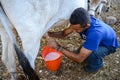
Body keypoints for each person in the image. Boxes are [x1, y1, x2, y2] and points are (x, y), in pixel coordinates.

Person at [47, 7, 120, 73]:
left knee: (91, 55)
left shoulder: (95, 34)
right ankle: (91, 51)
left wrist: (57, 47)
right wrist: (48, 34)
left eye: (77, 29)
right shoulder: (81, 21)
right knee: (80, 53)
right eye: (73, 27)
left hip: (109, 45)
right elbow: (63, 33)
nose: (74, 30)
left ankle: (96, 66)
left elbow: (79, 59)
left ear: (87, 25)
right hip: (100, 39)